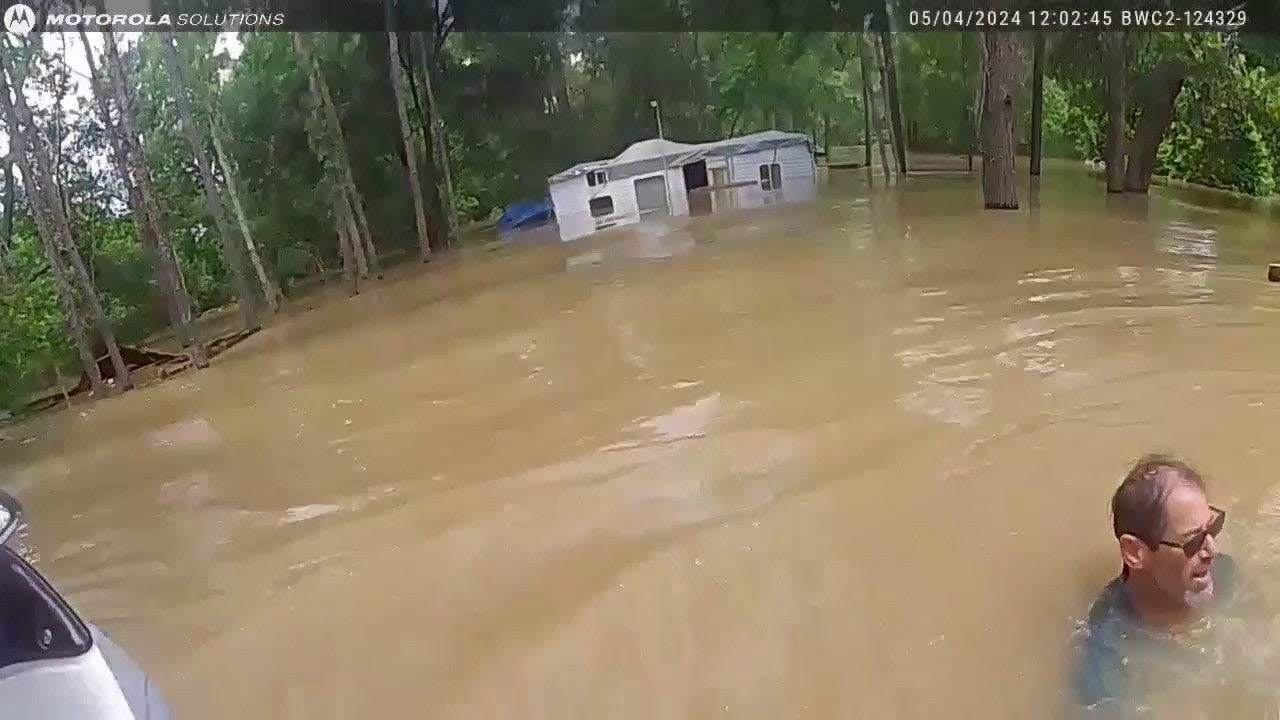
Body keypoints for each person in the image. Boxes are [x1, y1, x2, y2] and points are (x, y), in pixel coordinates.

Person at [1072, 453, 1238, 714]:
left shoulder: (1228, 577)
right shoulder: (1109, 646)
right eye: (1193, 541)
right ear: (1135, 553)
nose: (1211, 551)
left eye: (1212, 528)